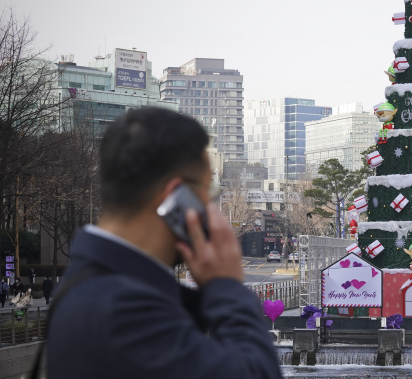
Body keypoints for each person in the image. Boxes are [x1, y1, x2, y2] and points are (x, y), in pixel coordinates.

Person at [47, 108, 281, 379]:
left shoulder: (87, 283)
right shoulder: (125, 309)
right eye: (207, 193)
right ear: (176, 198)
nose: (210, 208)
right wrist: (226, 285)